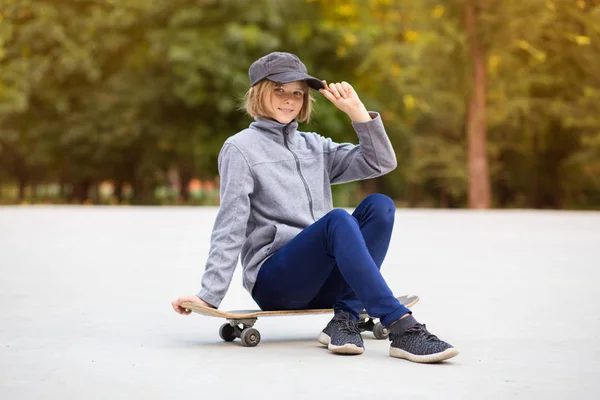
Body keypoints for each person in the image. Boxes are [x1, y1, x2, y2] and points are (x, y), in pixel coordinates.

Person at [172, 51, 458, 363]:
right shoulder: (240, 149)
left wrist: (357, 112)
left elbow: (381, 162)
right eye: (279, 90)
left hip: (325, 283)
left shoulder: (315, 146)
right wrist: (208, 295)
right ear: (259, 92)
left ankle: (344, 317)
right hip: (276, 281)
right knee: (337, 220)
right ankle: (402, 327)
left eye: (297, 93)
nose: (289, 100)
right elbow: (231, 224)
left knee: (380, 206)